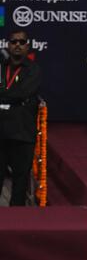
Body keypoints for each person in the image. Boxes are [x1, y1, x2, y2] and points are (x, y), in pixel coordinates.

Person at [0, 29, 42, 206]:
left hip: (23, 134)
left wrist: (5, 94)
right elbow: (18, 95)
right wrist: (15, 97)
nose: (17, 44)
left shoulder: (34, 70)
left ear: (27, 46)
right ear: (8, 45)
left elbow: (24, 92)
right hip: (1, 133)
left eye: (22, 42)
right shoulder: (1, 67)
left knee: (20, 181)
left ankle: (15, 222)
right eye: (13, 41)